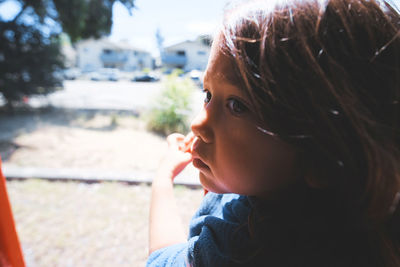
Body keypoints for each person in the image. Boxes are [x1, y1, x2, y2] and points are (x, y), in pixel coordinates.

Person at [147, 0, 400, 266]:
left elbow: (161, 259)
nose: (198, 123)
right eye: (207, 95)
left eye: (237, 105)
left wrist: (163, 178)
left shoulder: (237, 249)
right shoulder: (368, 224)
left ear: (324, 154)